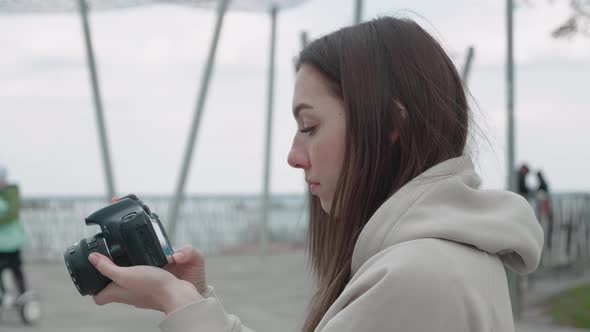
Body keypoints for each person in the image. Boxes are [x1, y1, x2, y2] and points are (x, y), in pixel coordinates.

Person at [86, 17, 544, 332]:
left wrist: (180, 306)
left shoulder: (417, 274)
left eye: (310, 127)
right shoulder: (446, 257)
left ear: (390, 125)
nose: (293, 155)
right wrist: (194, 299)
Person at [0, 166, 29, 302]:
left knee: (16, 269)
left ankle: (24, 294)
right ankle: (4, 295)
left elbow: (12, 213)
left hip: (12, 242)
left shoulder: (11, 192)